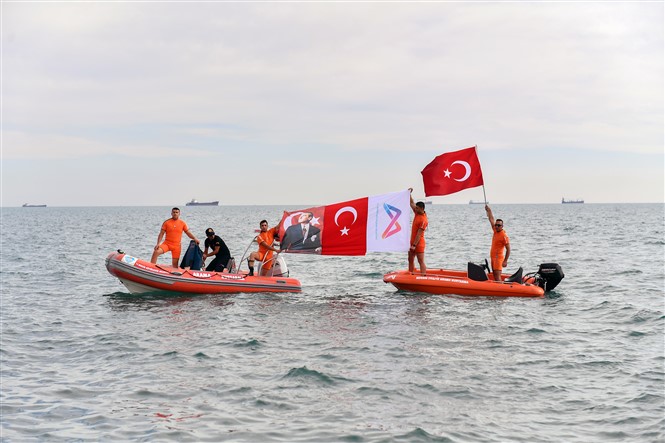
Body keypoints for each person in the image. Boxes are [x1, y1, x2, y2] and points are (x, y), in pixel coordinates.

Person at [485, 204, 510, 281]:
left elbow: (508, 249)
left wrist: (505, 261)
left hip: (498, 258)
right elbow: (491, 219)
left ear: (502, 226)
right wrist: (489, 211)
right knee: (494, 275)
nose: (496, 226)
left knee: (497, 276)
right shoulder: (495, 231)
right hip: (493, 257)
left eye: (499, 225)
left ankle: (501, 290)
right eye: (496, 225)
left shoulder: (504, 235)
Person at [408, 188, 428, 275]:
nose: (415, 209)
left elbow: (419, 234)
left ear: (421, 208)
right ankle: (411, 273)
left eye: (417, 208)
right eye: (415, 208)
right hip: (412, 242)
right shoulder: (417, 212)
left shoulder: (423, 220)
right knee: (410, 259)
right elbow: (411, 203)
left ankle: (423, 276)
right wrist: (409, 194)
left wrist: (414, 245)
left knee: (420, 261)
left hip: (419, 243)